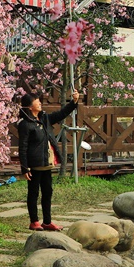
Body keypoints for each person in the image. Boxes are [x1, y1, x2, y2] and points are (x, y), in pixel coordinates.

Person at [17, 88, 80, 231]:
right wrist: (24, 167)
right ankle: (34, 221)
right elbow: (23, 147)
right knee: (33, 193)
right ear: (29, 106)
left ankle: (47, 222)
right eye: (36, 101)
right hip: (34, 165)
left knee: (47, 192)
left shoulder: (44, 118)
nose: (39, 103)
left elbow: (61, 114)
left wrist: (74, 102)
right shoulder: (25, 124)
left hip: (47, 163)